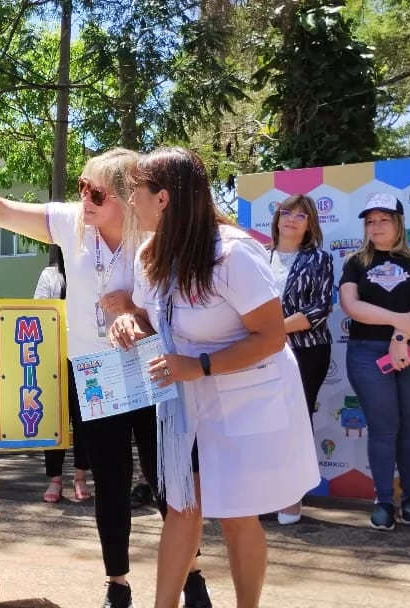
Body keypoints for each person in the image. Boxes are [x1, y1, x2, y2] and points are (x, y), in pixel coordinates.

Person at [0, 148, 212, 608]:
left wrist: (133, 309)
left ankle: (192, 574)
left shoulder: (156, 232)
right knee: (110, 481)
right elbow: (2, 210)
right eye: (81, 187)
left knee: (166, 478)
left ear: (130, 198)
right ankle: (118, 583)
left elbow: (178, 306)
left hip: (153, 366)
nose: (84, 199)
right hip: (95, 370)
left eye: (97, 192)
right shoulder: (73, 223)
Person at [109, 147, 319, 608]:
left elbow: (269, 336)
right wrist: (130, 322)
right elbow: (155, 317)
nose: (130, 203)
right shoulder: (150, 254)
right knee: (183, 507)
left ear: (162, 198)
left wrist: (200, 366)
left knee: (237, 514)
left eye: (135, 193)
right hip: (187, 403)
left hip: (247, 397)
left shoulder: (231, 255)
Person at [340, 193, 410, 531]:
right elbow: (352, 307)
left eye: (384, 219)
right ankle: (383, 501)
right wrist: (400, 322)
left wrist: (400, 338)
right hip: (367, 353)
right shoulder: (355, 262)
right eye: (370, 221)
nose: (377, 226)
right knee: (383, 429)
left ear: (399, 223)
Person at [268, 194, 334, 525]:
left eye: (301, 215)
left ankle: (292, 498)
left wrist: (272, 330)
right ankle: (265, 494)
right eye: (287, 212)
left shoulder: (318, 259)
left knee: (295, 420)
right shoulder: (256, 256)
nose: (292, 218)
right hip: (260, 354)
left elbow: (320, 308)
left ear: (310, 225)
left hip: (306, 350)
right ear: (277, 218)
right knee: (263, 423)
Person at [34, 246, 92, 503]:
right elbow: (39, 312)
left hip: (86, 357)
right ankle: (54, 480)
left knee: (84, 421)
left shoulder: (91, 273)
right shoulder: (50, 275)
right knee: (55, 420)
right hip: (54, 358)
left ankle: (80, 477)